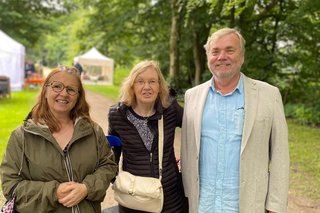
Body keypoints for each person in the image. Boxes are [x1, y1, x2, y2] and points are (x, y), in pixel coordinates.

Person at [181, 27, 289, 213]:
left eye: (230, 50)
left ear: (242, 57)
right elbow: (188, 151)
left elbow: (280, 155)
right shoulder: (193, 96)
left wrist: (276, 206)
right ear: (208, 58)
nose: (222, 56)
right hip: (202, 205)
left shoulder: (269, 95)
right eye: (215, 51)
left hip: (247, 205)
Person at [1, 66, 117, 212]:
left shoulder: (93, 132)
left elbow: (108, 166)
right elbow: (11, 185)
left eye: (71, 89)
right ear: (45, 91)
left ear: (78, 96)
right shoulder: (22, 136)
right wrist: (53, 192)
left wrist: (87, 187)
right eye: (57, 86)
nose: (64, 93)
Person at [108, 60, 187, 212]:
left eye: (152, 81)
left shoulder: (170, 110)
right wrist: (116, 179)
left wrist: (190, 163)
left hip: (169, 197)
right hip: (134, 198)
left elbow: (195, 131)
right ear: (132, 85)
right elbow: (113, 151)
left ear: (160, 86)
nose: (147, 87)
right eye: (140, 81)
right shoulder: (117, 114)